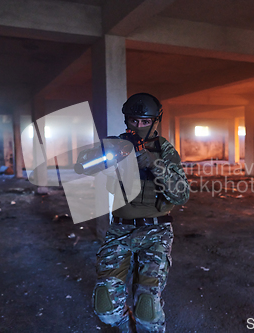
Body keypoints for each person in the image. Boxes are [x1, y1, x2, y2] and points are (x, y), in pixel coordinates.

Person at [89, 93, 190, 332]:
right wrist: (105, 155)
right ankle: (126, 326)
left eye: (146, 121)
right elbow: (84, 167)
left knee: (147, 306)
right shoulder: (117, 144)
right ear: (127, 120)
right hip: (120, 228)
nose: (139, 126)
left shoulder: (165, 150)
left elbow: (181, 194)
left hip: (156, 229)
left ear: (156, 120)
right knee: (105, 306)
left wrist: (151, 163)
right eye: (134, 120)